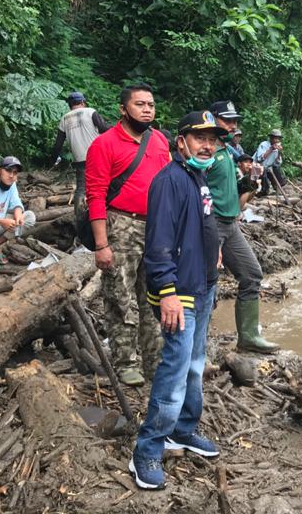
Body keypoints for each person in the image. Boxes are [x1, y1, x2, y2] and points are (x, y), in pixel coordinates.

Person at [129, 111, 222, 490]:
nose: (207, 144)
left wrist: (212, 255)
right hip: (178, 292)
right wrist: (167, 292)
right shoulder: (168, 180)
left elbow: (201, 223)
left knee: (195, 365)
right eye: (199, 138)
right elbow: (158, 244)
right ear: (180, 141)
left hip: (201, 286)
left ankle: (183, 430)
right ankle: (148, 449)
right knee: (174, 372)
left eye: (212, 139)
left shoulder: (196, 175)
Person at [85, 84, 171, 386]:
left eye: (150, 104)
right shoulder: (104, 144)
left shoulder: (159, 141)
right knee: (120, 296)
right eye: (139, 104)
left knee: (155, 296)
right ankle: (126, 362)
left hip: (157, 227)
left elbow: (168, 185)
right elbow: (95, 195)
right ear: (123, 109)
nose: (147, 109)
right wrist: (101, 244)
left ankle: (155, 361)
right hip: (120, 224)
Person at [207, 100, 280, 354]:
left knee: (251, 274)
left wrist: (251, 182)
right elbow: (196, 192)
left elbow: (236, 191)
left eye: (235, 121)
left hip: (230, 224)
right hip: (212, 223)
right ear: (212, 118)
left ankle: (248, 336)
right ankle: (198, 347)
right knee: (205, 283)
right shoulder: (205, 151)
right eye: (227, 120)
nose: (233, 125)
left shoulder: (228, 150)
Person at [50, 91, 110, 208]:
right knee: (103, 186)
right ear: (83, 102)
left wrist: (53, 160)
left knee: (81, 189)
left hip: (80, 159)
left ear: (70, 104)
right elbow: (104, 129)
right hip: (97, 157)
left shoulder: (64, 119)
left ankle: (79, 216)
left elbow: (58, 144)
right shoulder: (90, 112)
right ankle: (103, 214)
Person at [254, 129, 286, 194]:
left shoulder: (277, 148)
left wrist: (279, 152)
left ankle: (277, 186)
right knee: (264, 189)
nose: (277, 140)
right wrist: (271, 149)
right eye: (275, 138)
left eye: (278, 138)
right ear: (271, 138)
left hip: (266, 168)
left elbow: (277, 164)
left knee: (276, 168)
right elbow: (260, 159)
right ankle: (263, 190)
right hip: (256, 168)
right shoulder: (264, 144)